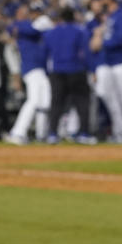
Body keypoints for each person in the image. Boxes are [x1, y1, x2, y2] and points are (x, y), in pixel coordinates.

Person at [89, 0, 122, 143]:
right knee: (109, 96)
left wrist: (102, 42)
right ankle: (119, 130)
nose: (101, 1)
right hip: (110, 63)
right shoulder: (109, 17)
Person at [43, 8, 95, 145]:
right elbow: (86, 52)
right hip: (76, 70)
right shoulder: (80, 31)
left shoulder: (51, 32)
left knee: (56, 103)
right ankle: (84, 133)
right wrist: (91, 69)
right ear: (73, 17)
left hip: (57, 71)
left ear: (60, 18)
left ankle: (53, 134)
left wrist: (46, 71)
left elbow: (45, 52)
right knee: (82, 103)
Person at [4, 4, 52, 145]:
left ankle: (41, 134)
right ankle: (17, 132)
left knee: (45, 101)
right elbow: (30, 29)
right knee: (34, 100)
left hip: (41, 68)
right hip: (31, 67)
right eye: (32, 12)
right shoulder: (24, 25)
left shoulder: (30, 26)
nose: (34, 14)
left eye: (37, 12)